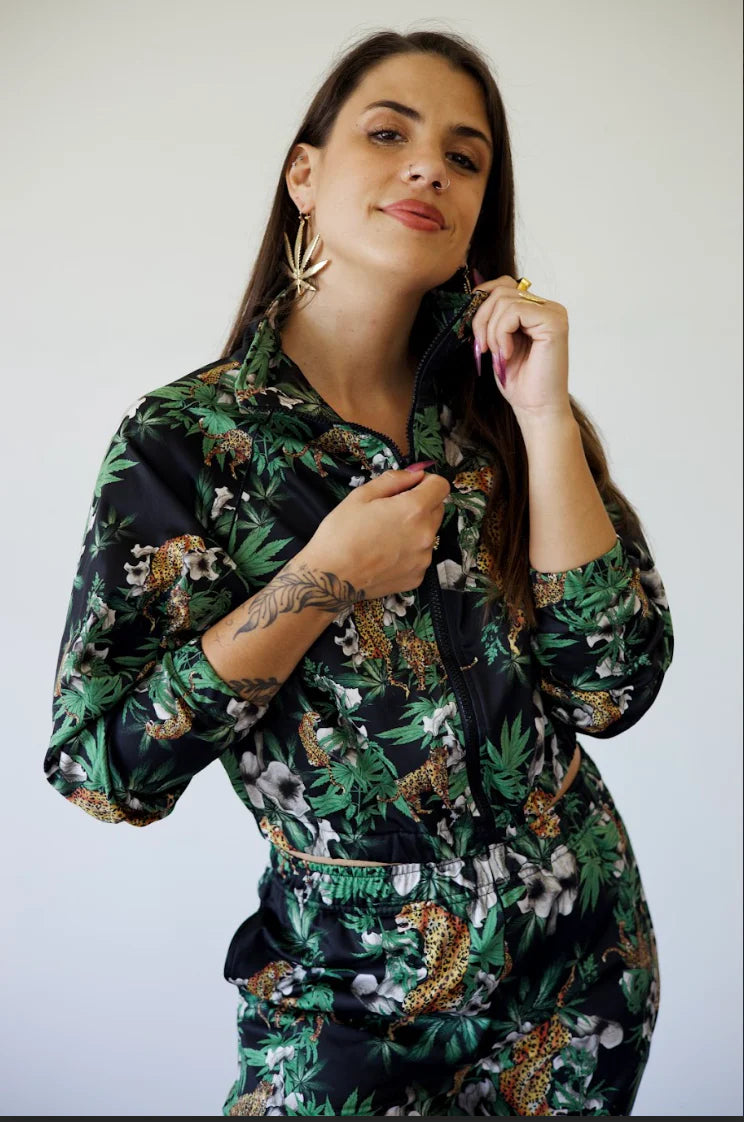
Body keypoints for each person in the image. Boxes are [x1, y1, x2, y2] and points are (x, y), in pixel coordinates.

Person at [44, 27, 674, 1118]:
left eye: (464, 157)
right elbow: (106, 769)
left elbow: (611, 688)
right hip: (346, 1002)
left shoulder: (508, 414)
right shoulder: (188, 444)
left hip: (579, 976)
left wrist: (543, 420)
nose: (429, 167)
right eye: (389, 135)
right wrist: (325, 579)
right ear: (305, 174)